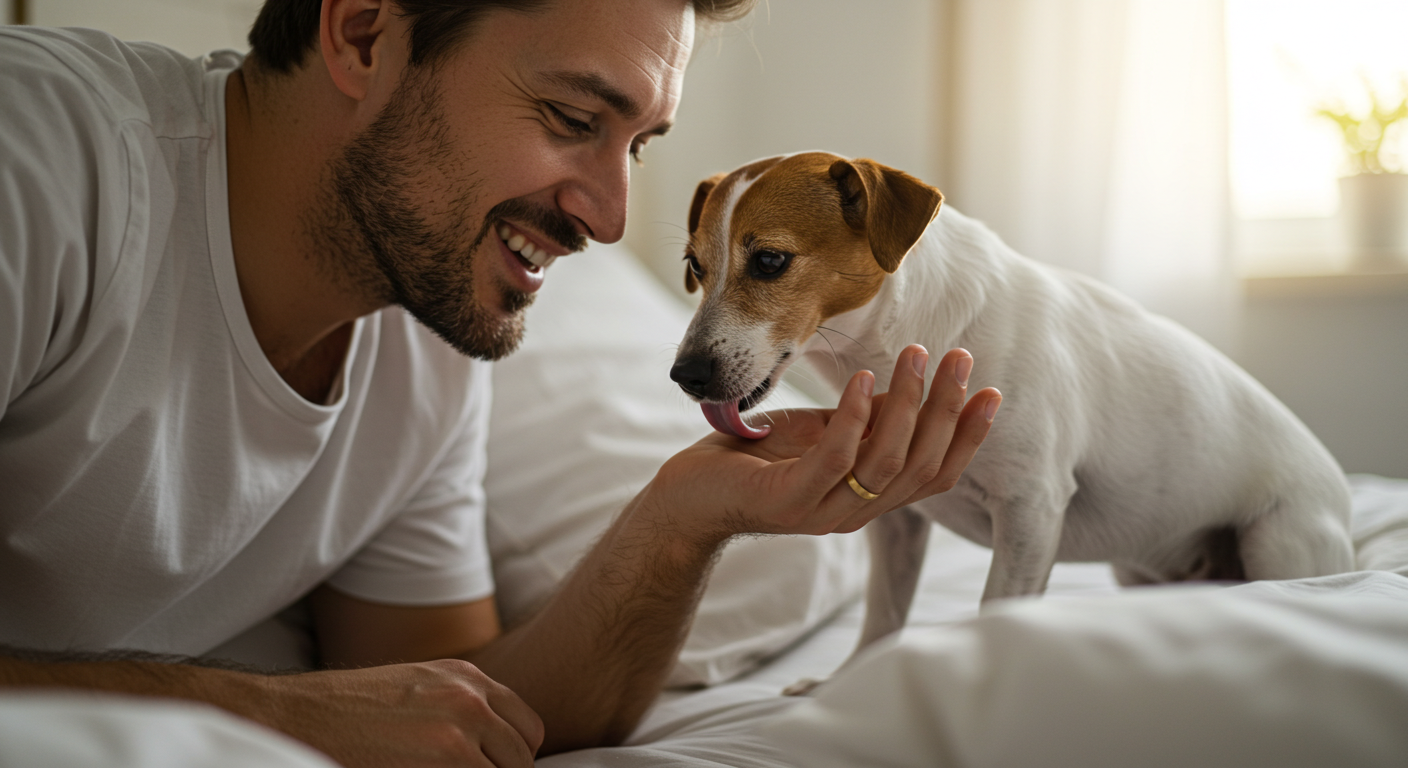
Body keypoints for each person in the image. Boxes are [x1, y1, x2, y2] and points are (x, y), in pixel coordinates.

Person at [0, 0, 1002, 765]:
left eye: (639, 145)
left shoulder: (427, 315)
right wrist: (280, 715)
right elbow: (351, 719)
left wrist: (687, 515)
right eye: (574, 117)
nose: (611, 217)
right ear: (358, 33)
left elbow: (461, 707)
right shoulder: (37, 164)